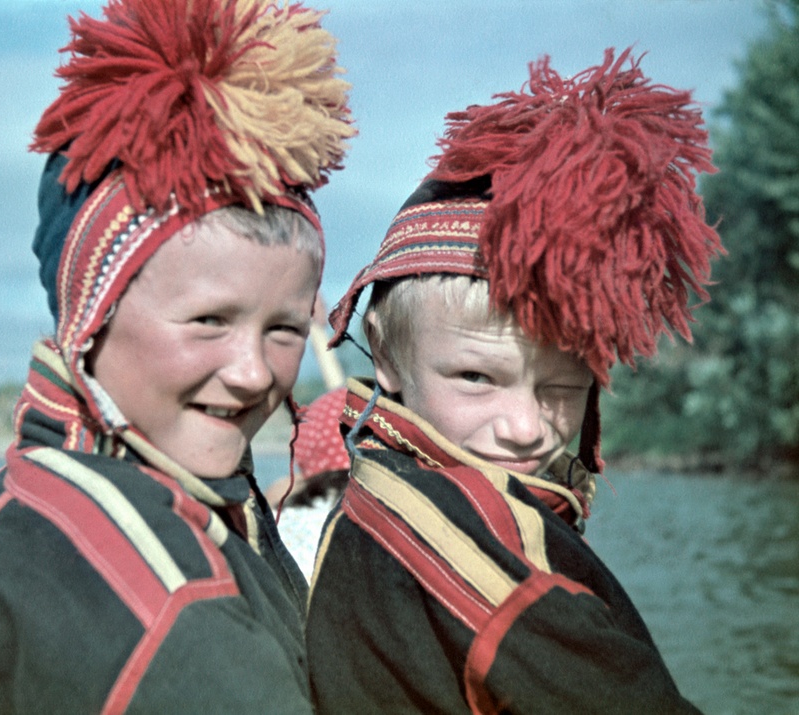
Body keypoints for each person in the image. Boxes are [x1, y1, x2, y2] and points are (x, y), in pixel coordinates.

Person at [0, 0, 353, 712]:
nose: (253, 372)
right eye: (210, 320)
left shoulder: (42, 484)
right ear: (91, 318)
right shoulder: (170, 609)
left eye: (286, 328)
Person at [305, 48, 722, 713]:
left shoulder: (374, 483)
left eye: (562, 386)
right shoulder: (487, 546)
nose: (527, 427)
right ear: (382, 352)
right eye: (476, 376)